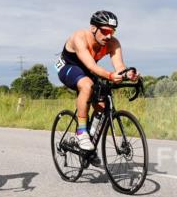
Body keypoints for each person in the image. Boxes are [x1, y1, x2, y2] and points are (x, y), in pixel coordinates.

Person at [55, 10, 137, 165]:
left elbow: (119, 66)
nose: (109, 36)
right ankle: (81, 132)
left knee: (102, 105)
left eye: (112, 32)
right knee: (87, 85)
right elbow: (92, 66)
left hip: (88, 71)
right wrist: (110, 75)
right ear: (94, 28)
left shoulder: (113, 43)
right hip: (68, 67)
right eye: (105, 31)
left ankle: (90, 145)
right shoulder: (79, 37)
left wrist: (128, 74)